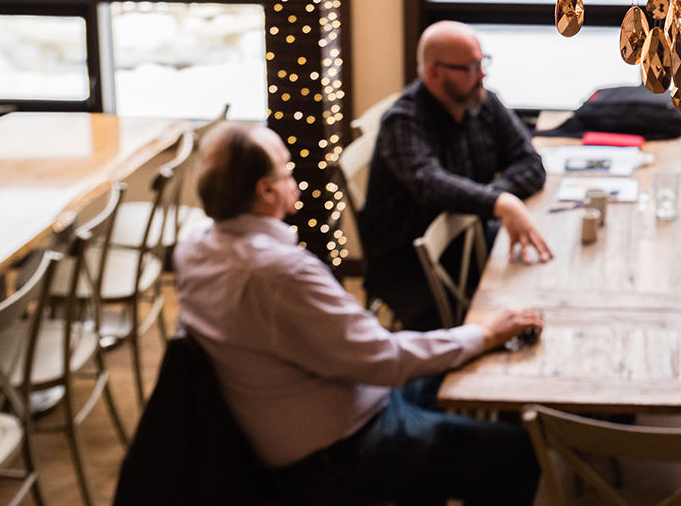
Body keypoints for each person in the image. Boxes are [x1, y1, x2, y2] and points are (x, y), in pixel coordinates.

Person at [175, 122, 544, 506]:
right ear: (266, 191)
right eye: (287, 170)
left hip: (330, 407)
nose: (294, 180)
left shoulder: (193, 247)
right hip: (340, 452)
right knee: (518, 453)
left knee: (466, 378)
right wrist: (484, 333)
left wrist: (476, 339)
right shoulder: (278, 275)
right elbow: (384, 359)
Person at [361, 21, 552, 330]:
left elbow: (531, 162)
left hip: (468, 237)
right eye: (470, 67)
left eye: (482, 62)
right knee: (505, 307)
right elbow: (430, 184)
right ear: (434, 73)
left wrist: (495, 195)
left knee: (538, 279)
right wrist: (498, 203)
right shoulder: (404, 122)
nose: (482, 74)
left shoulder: (483, 100)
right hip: (408, 262)